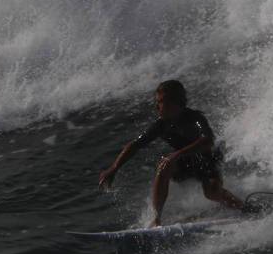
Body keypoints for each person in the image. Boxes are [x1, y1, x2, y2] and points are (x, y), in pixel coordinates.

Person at [98, 80, 250, 227]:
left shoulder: (195, 118)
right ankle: (157, 219)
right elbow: (135, 145)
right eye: (156, 102)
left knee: (211, 193)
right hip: (185, 165)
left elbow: (208, 141)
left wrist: (177, 154)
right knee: (164, 165)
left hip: (207, 163)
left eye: (161, 102)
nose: (157, 106)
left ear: (175, 102)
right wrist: (114, 168)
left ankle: (245, 209)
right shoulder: (161, 124)